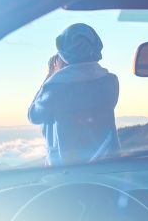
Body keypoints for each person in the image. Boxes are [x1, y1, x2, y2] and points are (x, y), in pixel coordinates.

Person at [28, 23, 120, 165]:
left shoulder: (55, 87)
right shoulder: (110, 81)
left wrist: (51, 74)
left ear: (64, 53)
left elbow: (34, 116)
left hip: (68, 170)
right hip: (108, 164)